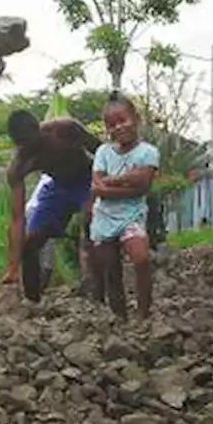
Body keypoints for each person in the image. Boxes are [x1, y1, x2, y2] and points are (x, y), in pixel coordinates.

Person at [3, 109, 102, 301]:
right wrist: (13, 267)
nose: (29, 149)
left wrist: (102, 188)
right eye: (22, 145)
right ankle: (32, 301)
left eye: (31, 142)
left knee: (91, 223)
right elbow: (17, 218)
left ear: (38, 130)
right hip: (57, 187)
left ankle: (95, 290)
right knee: (30, 244)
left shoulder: (65, 129)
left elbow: (103, 154)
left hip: (87, 178)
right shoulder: (20, 164)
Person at [89, 92, 160, 319]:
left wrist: (109, 183)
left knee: (141, 259)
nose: (118, 127)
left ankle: (143, 315)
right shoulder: (103, 152)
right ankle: (120, 319)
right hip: (104, 219)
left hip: (132, 216)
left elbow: (143, 187)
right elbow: (96, 188)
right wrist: (128, 179)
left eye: (123, 120)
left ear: (135, 118)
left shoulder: (148, 152)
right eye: (111, 124)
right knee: (112, 272)